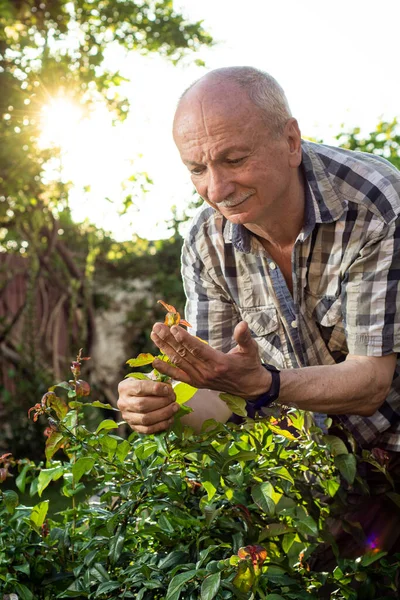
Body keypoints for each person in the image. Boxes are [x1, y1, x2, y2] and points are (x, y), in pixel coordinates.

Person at [118, 66, 400, 453]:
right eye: (197, 169)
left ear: (290, 141)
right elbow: (216, 394)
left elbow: (371, 382)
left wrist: (266, 384)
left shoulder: (372, 205)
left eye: (234, 160)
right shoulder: (207, 242)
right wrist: (161, 408)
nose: (216, 189)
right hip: (311, 467)